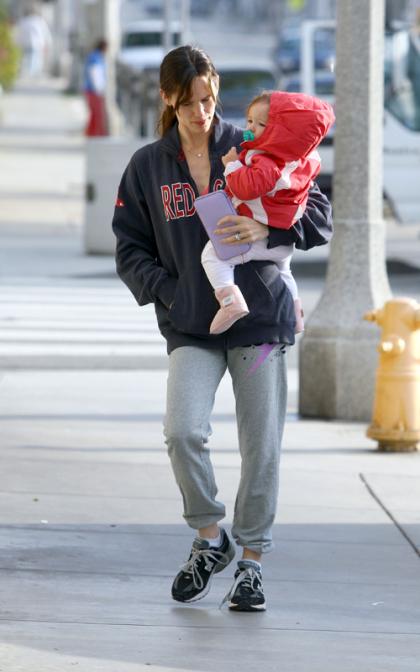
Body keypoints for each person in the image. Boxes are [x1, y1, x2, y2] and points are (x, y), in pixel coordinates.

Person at [112, 45, 333, 612]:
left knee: (262, 446)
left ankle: (252, 562)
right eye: (190, 103)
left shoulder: (251, 142)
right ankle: (211, 538)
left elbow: (317, 216)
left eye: (209, 98)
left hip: (259, 322)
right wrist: (171, 291)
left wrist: (262, 219)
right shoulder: (146, 166)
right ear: (167, 99)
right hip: (193, 324)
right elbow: (129, 247)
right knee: (182, 431)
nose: (203, 111)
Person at [201, 90, 335, 335]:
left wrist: (232, 165)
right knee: (285, 272)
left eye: (261, 124)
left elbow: (246, 187)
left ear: (280, 131)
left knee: (212, 255)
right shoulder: (304, 158)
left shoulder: (267, 161)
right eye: (249, 120)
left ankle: (230, 303)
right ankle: (296, 316)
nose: (250, 128)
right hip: (284, 239)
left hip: (261, 237)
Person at [15, 6, 52, 77]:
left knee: (27, 59)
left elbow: (19, 33)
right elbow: (45, 33)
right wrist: (47, 43)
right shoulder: (39, 21)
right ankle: (31, 74)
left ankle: (28, 74)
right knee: (34, 59)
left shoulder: (24, 21)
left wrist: (18, 43)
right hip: (36, 44)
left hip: (27, 43)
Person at [83, 39, 108, 137]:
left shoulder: (94, 56)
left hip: (91, 90)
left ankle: (90, 133)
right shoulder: (96, 58)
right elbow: (95, 74)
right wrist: (99, 89)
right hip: (94, 90)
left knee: (94, 114)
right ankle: (95, 133)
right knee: (97, 113)